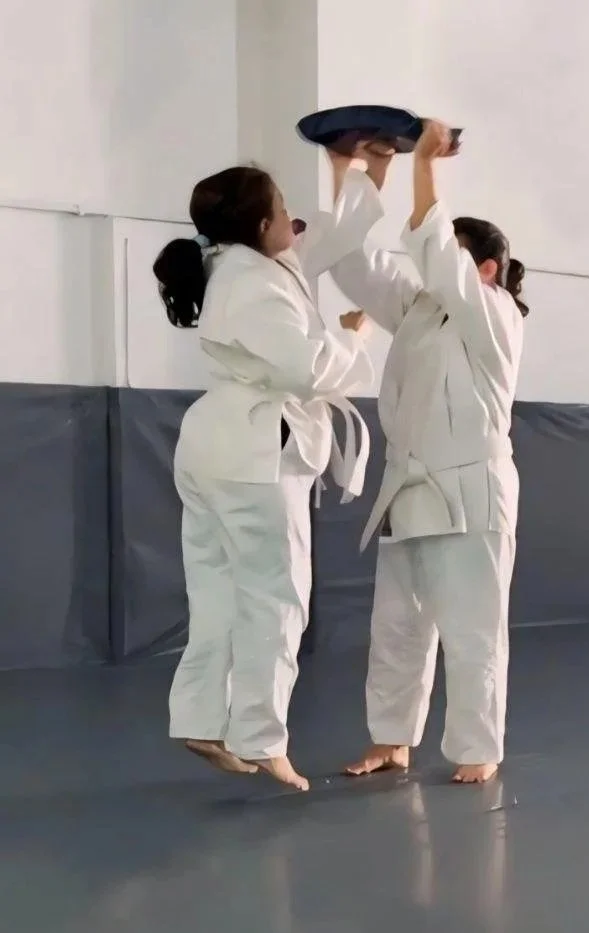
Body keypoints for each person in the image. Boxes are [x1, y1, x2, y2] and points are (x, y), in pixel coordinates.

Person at [153, 165, 374, 791]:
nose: (292, 221)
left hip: (214, 445)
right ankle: (262, 737)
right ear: (260, 225)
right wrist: (352, 339)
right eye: (282, 211)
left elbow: (319, 246)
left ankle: (200, 717)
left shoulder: (240, 268)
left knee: (220, 591)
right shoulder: (253, 283)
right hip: (253, 452)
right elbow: (306, 369)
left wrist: (359, 173)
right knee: (277, 598)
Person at [326, 121, 528, 783]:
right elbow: (355, 264)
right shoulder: (418, 309)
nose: (432, 266)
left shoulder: (496, 315)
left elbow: (435, 247)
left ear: (487, 269)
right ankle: (391, 740)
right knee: (396, 629)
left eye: (455, 257)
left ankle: (478, 747)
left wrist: (427, 163)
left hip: (470, 493)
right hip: (408, 490)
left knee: (472, 630)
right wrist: (360, 170)